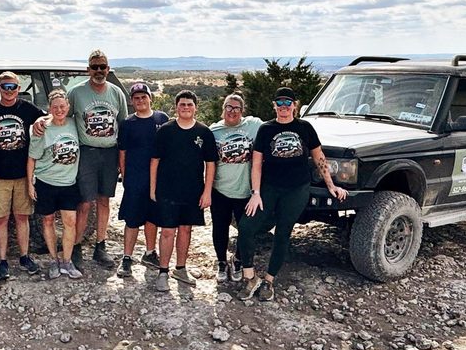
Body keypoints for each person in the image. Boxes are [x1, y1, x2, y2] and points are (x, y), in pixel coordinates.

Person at [236, 87, 348, 302]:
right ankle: (249, 277)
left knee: (283, 233)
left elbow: (319, 158)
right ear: (274, 106)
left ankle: (269, 280)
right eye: (279, 103)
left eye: (288, 102)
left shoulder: (305, 128)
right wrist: (255, 193)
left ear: (295, 106)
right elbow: (257, 164)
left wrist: (331, 185)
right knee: (246, 227)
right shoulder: (266, 129)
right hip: (268, 188)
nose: (284, 107)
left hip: (296, 190)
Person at [149, 90, 216, 292]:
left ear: (196, 107)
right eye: (182, 104)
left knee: (186, 230)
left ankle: (181, 268)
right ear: (176, 107)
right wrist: (153, 189)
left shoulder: (204, 132)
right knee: (168, 231)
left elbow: (211, 164)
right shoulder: (166, 130)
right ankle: (163, 271)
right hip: (168, 190)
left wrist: (207, 192)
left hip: (193, 190)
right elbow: (155, 161)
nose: (186, 108)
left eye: (189, 104)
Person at [67, 50, 129, 268]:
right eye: (95, 67)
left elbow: (123, 126)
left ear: (108, 68)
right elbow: (62, 119)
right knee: (84, 202)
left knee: (104, 200)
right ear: (88, 69)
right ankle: (76, 247)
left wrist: (123, 160)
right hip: (87, 152)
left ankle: (100, 246)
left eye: (103, 66)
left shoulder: (116, 93)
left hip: (110, 153)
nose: (99, 71)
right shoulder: (76, 93)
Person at [0, 71, 45, 281]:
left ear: (19, 89)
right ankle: (2, 261)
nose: (9, 91)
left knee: (22, 217)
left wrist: (41, 121)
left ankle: (24, 256)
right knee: (1, 219)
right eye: (5, 87)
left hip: (21, 174)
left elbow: (49, 116)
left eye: (13, 87)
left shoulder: (26, 109)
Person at [27, 89, 83, 280]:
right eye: (55, 107)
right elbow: (32, 158)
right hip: (46, 182)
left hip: (69, 182)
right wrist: (30, 184)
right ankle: (53, 260)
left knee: (70, 222)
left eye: (62, 106)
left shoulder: (76, 124)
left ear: (68, 107)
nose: (59, 110)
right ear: (49, 109)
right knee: (48, 221)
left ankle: (67, 261)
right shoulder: (41, 128)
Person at [115, 82, 168, 277]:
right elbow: (122, 153)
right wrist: (125, 177)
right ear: (132, 102)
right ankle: (127, 257)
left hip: (158, 178)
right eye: (136, 98)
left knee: (152, 217)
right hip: (135, 177)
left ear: (150, 98)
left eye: (143, 97)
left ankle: (150, 252)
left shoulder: (162, 119)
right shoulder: (128, 124)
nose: (140, 100)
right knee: (132, 219)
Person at [208, 93, 262, 283]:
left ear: (242, 111)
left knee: (246, 229)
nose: (232, 111)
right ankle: (221, 262)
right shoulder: (213, 130)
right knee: (220, 228)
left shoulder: (253, 124)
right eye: (228, 107)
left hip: (246, 190)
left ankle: (238, 260)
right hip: (220, 189)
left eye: (236, 108)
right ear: (223, 108)